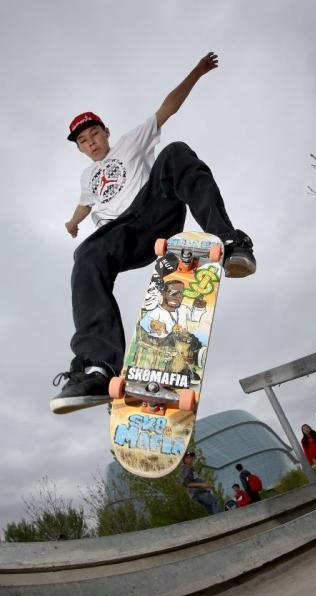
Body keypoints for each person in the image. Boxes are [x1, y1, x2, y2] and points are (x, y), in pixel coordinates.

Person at [51, 52, 256, 414]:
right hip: (123, 234)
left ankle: (230, 242)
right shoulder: (87, 179)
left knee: (175, 152)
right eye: (84, 140)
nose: (92, 142)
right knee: (85, 256)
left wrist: (196, 72)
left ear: (106, 131)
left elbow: (168, 107)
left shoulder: (132, 140)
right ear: (80, 147)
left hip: (155, 208)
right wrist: (73, 222)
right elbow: (85, 204)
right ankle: (98, 367)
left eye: (95, 133)